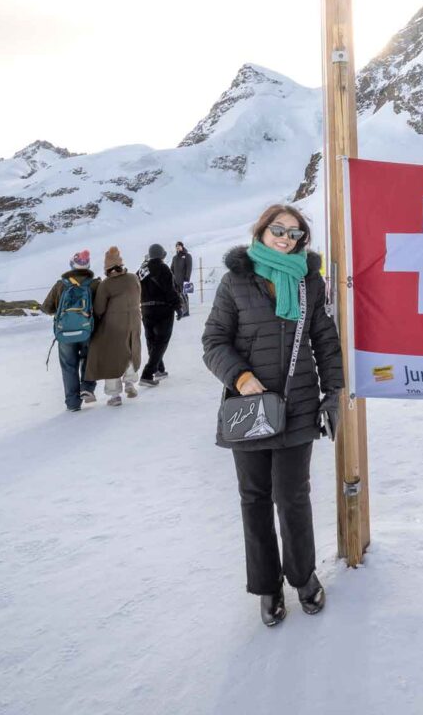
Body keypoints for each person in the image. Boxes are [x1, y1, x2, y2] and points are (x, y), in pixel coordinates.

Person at [202, 203, 344, 628]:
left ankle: (303, 576)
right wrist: (240, 376)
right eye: (278, 230)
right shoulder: (235, 282)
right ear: (262, 231)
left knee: (294, 496)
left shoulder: (309, 283)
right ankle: (267, 586)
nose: (286, 238)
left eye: (295, 233)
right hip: (248, 409)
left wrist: (333, 391)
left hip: (298, 405)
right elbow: (213, 341)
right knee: (255, 499)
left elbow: (325, 340)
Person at [42, 250, 99, 412]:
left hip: (64, 333)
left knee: (68, 366)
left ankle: (72, 403)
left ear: (71, 265)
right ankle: (87, 387)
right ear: (87, 265)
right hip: (87, 331)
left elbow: (46, 308)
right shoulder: (94, 284)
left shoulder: (61, 284)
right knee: (89, 359)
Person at [85, 246, 142, 406]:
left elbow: (99, 309)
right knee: (130, 351)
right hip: (134, 321)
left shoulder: (106, 284)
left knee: (111, 357)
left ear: (107, 269)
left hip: (113, 325)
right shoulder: (133, 278)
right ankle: (130, 383)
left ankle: (114, 395)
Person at [139, 242, 183, 386]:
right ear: (161, 255)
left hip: (145, 309)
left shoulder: (141, 270)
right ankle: (147, 374)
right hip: (163, 310)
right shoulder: (163, 268)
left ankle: (159, 369)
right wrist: (178, 306)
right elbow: (170, 290)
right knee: (161, 341)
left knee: (151, 339)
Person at [172, 240, 193, 318]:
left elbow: (189, 268)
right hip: (176, 280)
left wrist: (187, 278)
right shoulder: (175, 257)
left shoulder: (187, 256)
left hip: (184, 279)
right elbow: (172, 268)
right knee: (178, 296)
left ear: (182, 246)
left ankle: (186, 311)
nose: (178, 248)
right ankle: (181, 311)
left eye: (179, 246)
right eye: (176, 247)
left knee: (184, 295)